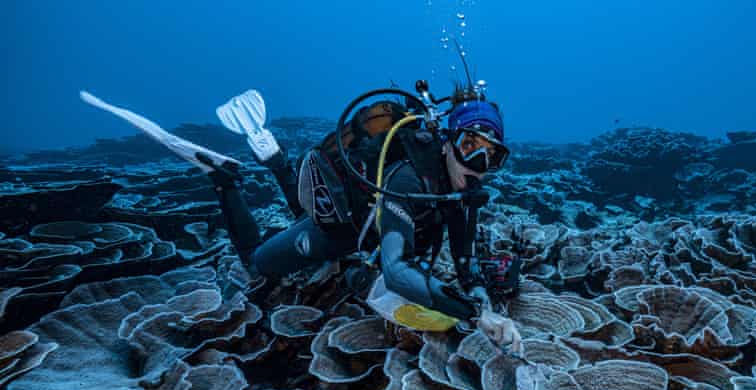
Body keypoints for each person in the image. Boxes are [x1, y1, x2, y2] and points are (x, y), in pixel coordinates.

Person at [200, 84, 524, 354]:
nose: (477, 163)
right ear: (447, 143)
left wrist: (487, 307)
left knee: (302, 215)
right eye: (469, 145)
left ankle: (277, 161)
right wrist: (475, 314)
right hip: (343, 229)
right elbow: (396, 272)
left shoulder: (463, 196)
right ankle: (223, 179)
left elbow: (466, 266)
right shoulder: (409, 180)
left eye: (491, 155)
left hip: (367, 233)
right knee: (257, 264)